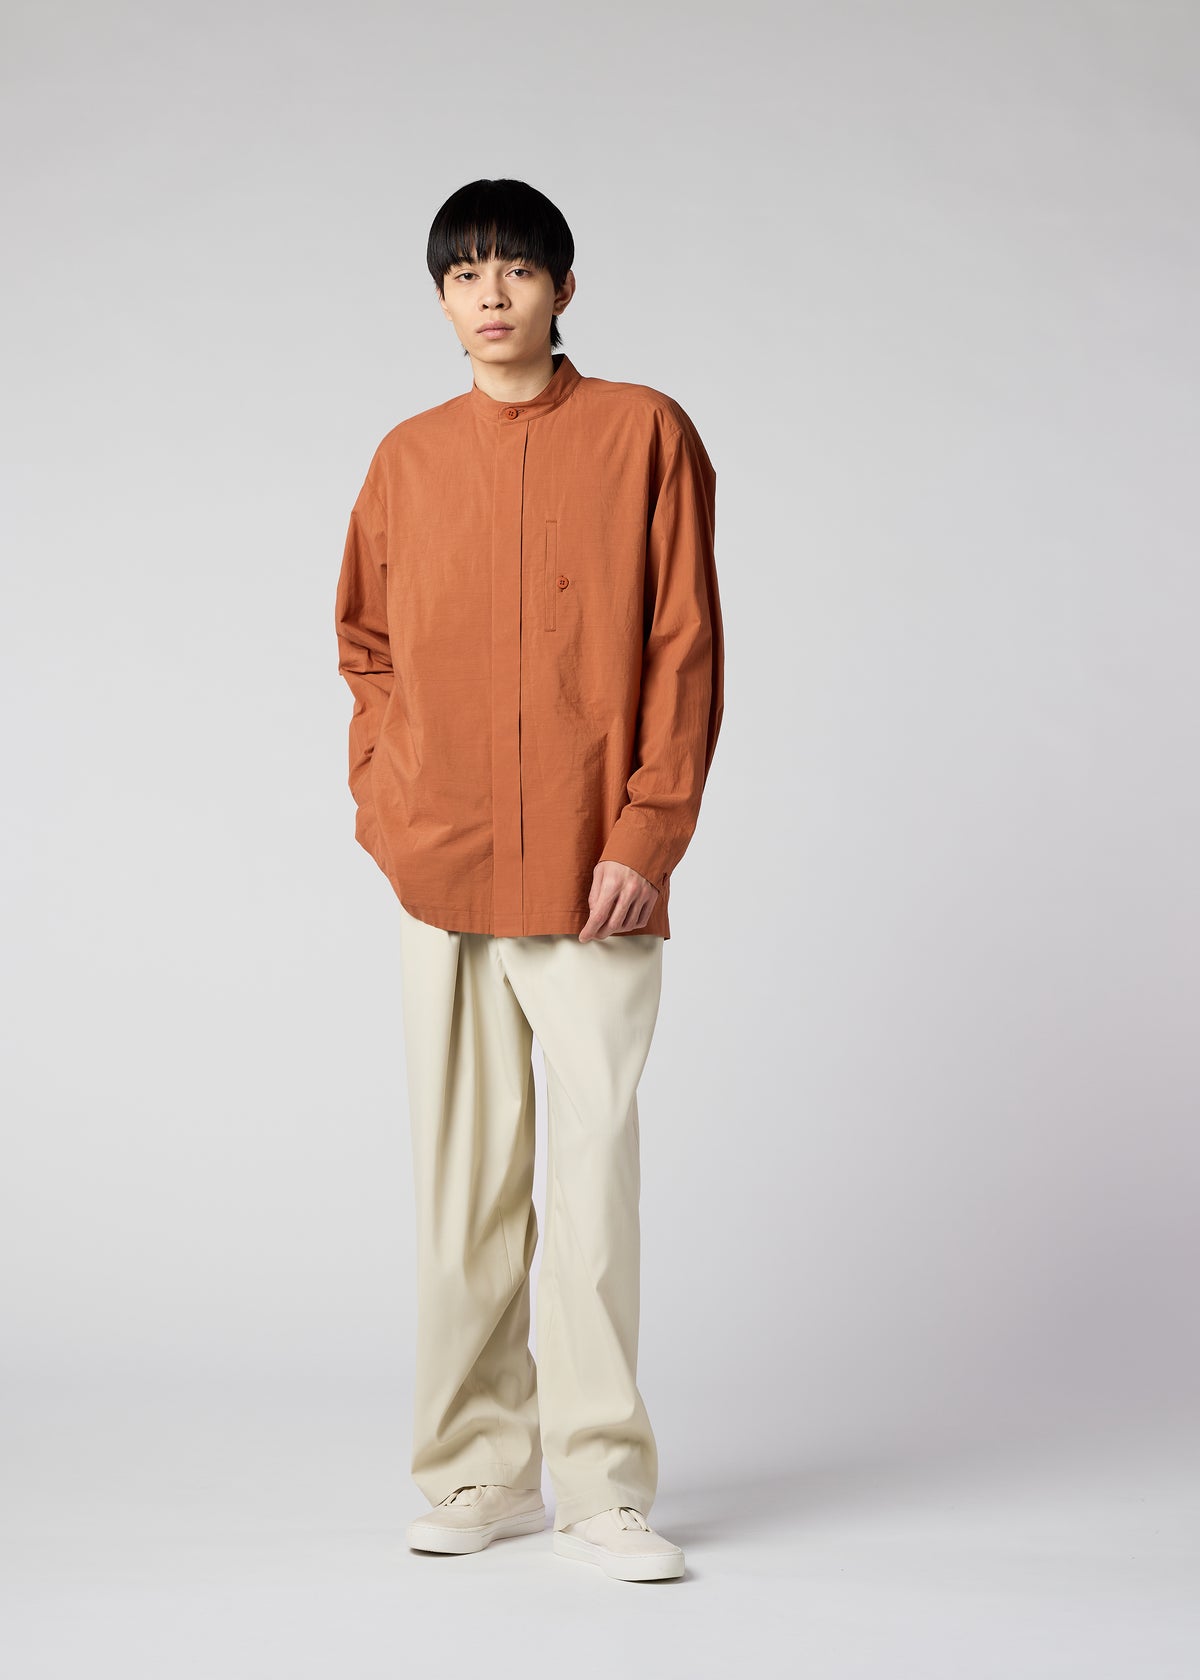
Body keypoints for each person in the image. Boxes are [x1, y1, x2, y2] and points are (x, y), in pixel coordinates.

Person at [333, 178, 725, 1583]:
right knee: (464, 1193)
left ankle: (604, 1488)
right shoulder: (406, 457)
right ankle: (478, 1472)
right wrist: (390, 813)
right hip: (440, 873)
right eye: (464, 275)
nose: (490, 294)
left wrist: (645, 835)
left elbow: (684, 648)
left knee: (594, 1186)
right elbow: (365, 644)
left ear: (564, 287)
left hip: (592, 873)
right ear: (442, 300)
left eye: (515, 270)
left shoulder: (644, 434)